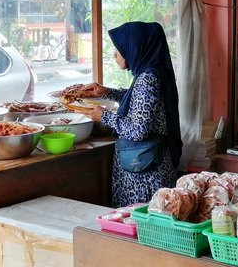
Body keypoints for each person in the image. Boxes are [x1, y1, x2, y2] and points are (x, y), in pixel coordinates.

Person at [73, 21, 182, 206]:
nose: (115, 54)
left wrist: (104, 116)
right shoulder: (152, 72)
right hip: (148, 166)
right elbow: (140, 101)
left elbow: (138, 130)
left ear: (135, 47)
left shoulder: (147, 78)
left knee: (137, 221)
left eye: (119, 48)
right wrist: (106, 92)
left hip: (144, 175)